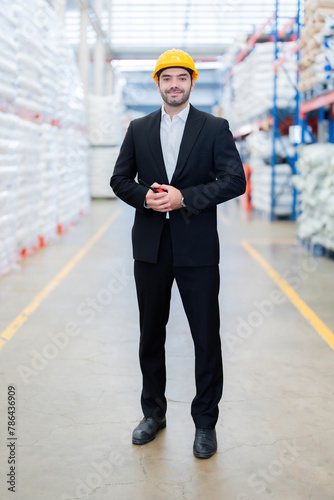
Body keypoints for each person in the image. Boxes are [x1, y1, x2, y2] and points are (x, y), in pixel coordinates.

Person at [110, 48, 246, 459]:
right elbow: (119, 179)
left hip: (197, 249)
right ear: (157, 83)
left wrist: (184, 197)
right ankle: (154, 413)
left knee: (206, 336)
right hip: (150, 249)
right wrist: (146, 199)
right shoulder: (139, 128)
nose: (174, 85)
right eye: (167, 78)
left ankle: (205, 422)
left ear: (191, 83)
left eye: (181, 78)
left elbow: (234, 180)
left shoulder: (214, 127)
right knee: (151, 334)